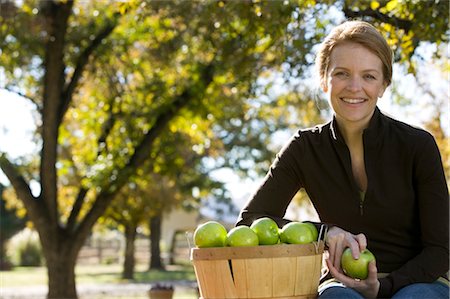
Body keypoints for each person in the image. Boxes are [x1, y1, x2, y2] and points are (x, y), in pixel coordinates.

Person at [236, 20, 449, 298]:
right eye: (342, 73)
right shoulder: (305, 148)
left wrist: (384, 287)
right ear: (325, 80)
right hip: (342, 283)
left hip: (420, 281)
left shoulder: (417, 145)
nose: (354, 87)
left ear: (384, 85)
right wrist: (325, 232)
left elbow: (441, 250)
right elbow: (252, 219)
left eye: (369, 76)